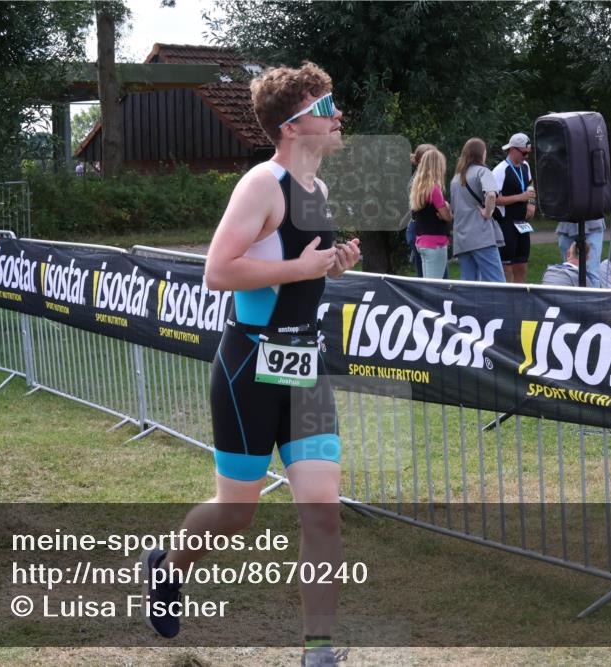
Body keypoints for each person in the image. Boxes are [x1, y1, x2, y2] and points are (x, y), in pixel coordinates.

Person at [140, 62, 360, 667]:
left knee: (323, 509)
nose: (337, 114)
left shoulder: (318, 189)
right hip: (250, 369)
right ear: (293, 128)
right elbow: (218, 271)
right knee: (236, 511)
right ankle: (168, 563)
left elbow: (299, 269)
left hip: (305, 365)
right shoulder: (261, 184)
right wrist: (302, 269)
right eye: (326, 105)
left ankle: (319, 650)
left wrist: (331, 264)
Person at [450, 138, 505, 282]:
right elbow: (491, 194)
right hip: (481, 236)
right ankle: (500, 306)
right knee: (496, 282)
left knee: (469, 284)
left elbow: (454, 210)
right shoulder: (483, 171)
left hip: (461, 238)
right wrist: (488, 212)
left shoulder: (456, 178)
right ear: (481, 154)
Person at [492, 133, 535, 283]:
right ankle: (506, 297)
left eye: (528, 153)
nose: (526, 157)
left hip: (522, 222)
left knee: (522, 264)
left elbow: (530, 185)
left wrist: (530, 203)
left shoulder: (525, 166)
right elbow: (493, 200)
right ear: (512, 150)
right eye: (524, 153)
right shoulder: (500, 170)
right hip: (506, 223)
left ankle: (520, 297)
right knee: (507, 266)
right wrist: (520, 197)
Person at [410, 147, 453, 279]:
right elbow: (446, 216)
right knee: (434, 286)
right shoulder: (434, 189)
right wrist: (448, 208)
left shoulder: (419, 187)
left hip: (422, 241)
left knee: (427, 284)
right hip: (435, 242)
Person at [404, 143, 435, 278]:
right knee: (429, 276)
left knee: (425, 274)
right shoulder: (422, 181)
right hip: (421, 229)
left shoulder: (420, 177)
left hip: (417, 227)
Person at [555, 218, 604, 287]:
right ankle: (570, 297)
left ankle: (593, 297)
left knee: (591, 272)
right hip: (566, 224)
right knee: (568, 270)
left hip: (592, 223)